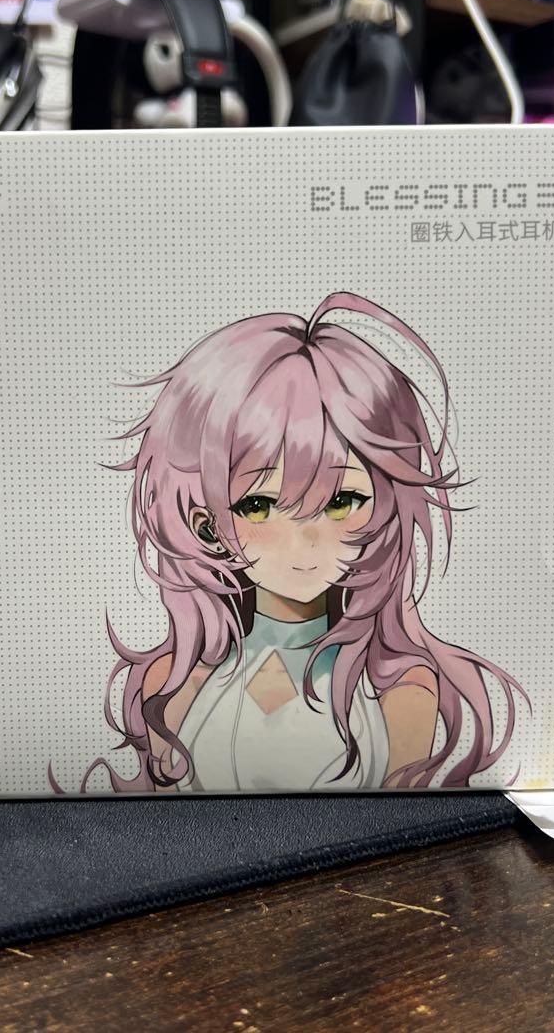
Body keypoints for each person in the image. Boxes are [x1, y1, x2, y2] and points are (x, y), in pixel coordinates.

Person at [70, 292, 526, 794]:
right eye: (258, 506)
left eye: (342, 500)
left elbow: (395, 828)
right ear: (205, 525)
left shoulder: (402, 691)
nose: (305, 539)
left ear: (386, 504)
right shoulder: (171, 685)